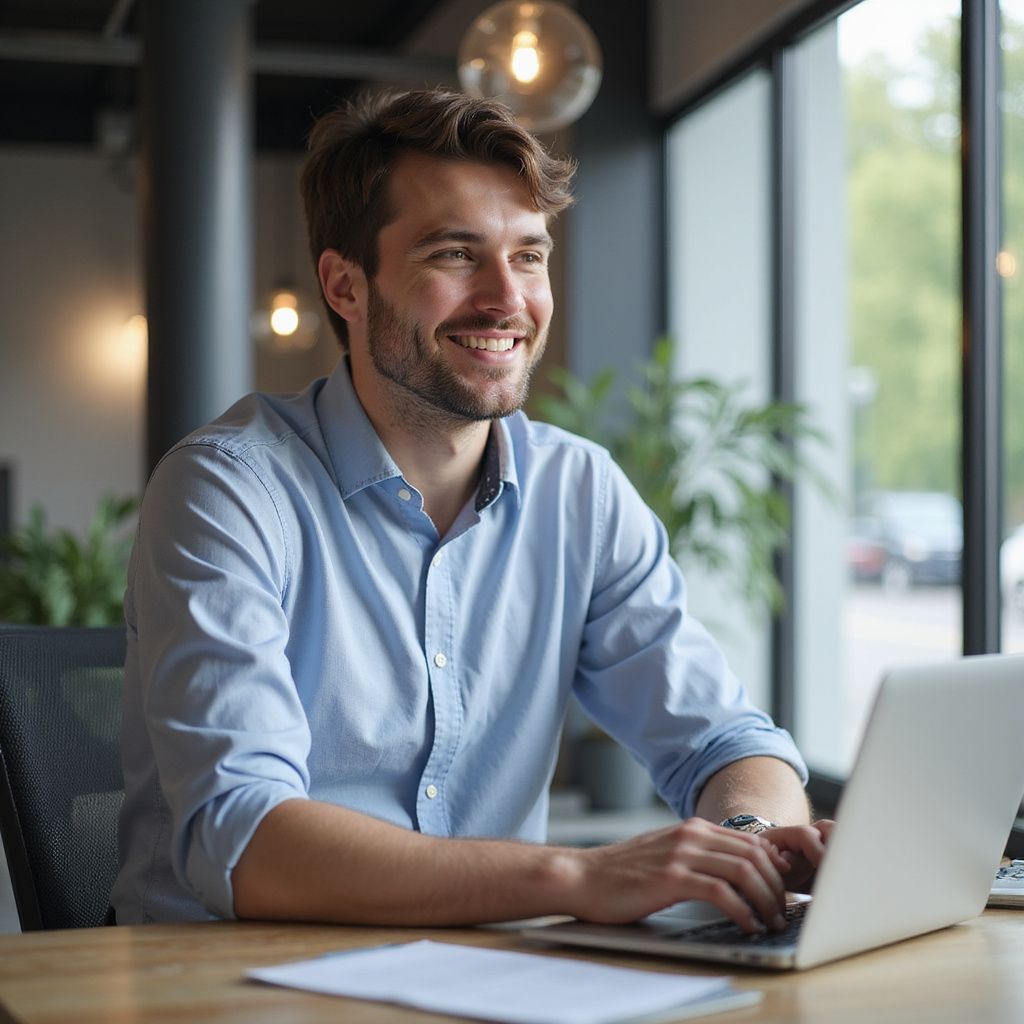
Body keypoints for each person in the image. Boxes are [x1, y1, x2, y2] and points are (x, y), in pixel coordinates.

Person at [112, 88, 829, 933]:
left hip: (487, 980)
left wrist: (747, 840)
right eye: (455, 254)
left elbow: (727, 741)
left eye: (529, 256)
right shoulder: (228, 490)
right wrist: (578, 875)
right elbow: (245, 842)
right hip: (225, 985)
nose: (506, 299)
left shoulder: (580, 491)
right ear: (345, 285)